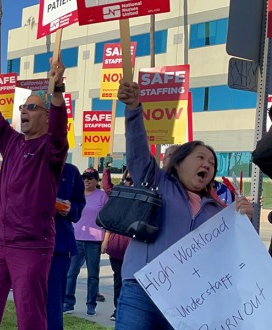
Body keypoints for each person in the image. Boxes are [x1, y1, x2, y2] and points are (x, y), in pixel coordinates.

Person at [115, 80, 254, 329]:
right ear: (178, 162)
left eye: (212, 163)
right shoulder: (155, 181)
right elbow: (137, 148)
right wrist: (134, 108)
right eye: (200, 157)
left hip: (185, 302)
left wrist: (244, 221)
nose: (208, 165)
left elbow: (237, 255)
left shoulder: (220, 212)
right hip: (141, 291)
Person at [0, 49, 69, 329]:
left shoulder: (51, 149)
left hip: (31, 246)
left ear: (47, 118)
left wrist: (57, 87)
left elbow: (60, 131)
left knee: (30, 315)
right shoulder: (12, 142)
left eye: (32, 107)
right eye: (23, 106)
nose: (24, 110)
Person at [63, 168, 108, 316]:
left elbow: (108, 221)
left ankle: (91, 305)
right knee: (71, 272)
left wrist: (105, 241)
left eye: (90, 178)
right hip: (77, 239)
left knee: (93, 275)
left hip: (94, 241)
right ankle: (68, 303)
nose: (86, 181)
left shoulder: (102, 196)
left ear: (96, 180)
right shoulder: (76, 194)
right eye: (84, 178)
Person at [46, 163, 85, 330]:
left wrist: (70, 209)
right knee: (29, 301)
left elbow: (78, 204)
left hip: (59, 245)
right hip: (28, 243)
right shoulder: (28, 164)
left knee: (54, 303)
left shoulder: (70, 171)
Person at [101, 169, 133, 322]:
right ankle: (118, 309)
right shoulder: (119, 195)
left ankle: (131, 310)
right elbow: (107, 187)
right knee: (119, 280)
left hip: (136, 249)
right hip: (118, 248)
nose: (130, 183)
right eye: (128, 179)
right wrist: (107, 167)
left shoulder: (145, 196)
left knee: (132, 282)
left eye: (133, 180)